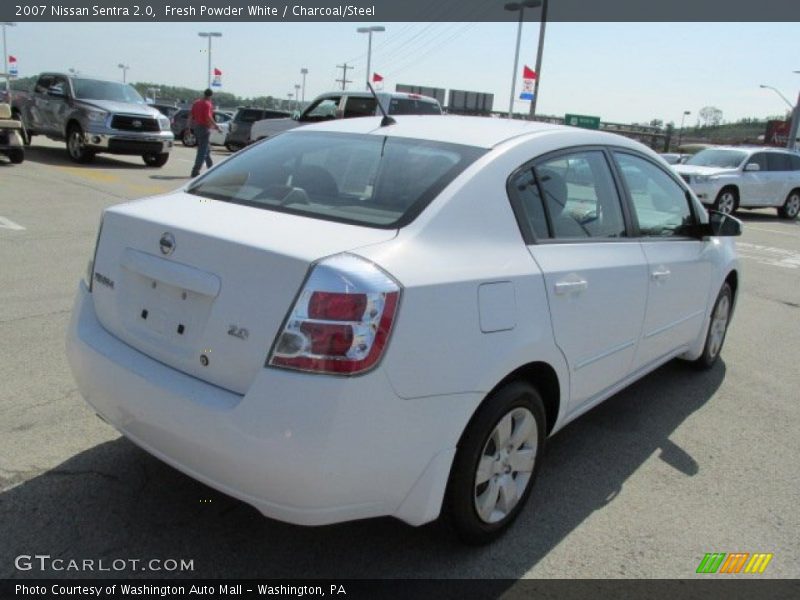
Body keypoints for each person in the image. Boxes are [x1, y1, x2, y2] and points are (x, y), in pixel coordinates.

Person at [188, 88, 222, 177]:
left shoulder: (196, 103)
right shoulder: (207, 104)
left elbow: (191, 116)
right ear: (211, 95)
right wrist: (216, 126)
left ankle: (211, 168)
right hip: (204, 128)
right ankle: (195, 170)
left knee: (206, 149)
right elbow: (208, 117)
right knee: (202, 151)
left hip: (197, 127)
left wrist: (188, 127)